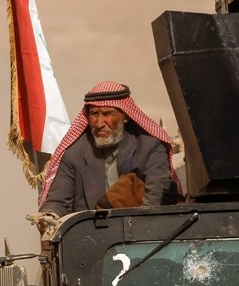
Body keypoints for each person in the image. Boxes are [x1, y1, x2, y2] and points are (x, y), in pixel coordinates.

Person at [38, 80, 182, 215]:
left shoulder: (150, 146)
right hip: (90, 230)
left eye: (107, 114)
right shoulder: (75, 152)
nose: (99, 123)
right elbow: (57, 201)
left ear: (125, 116)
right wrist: (49, 215)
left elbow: (156, 198)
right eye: (94, 114)